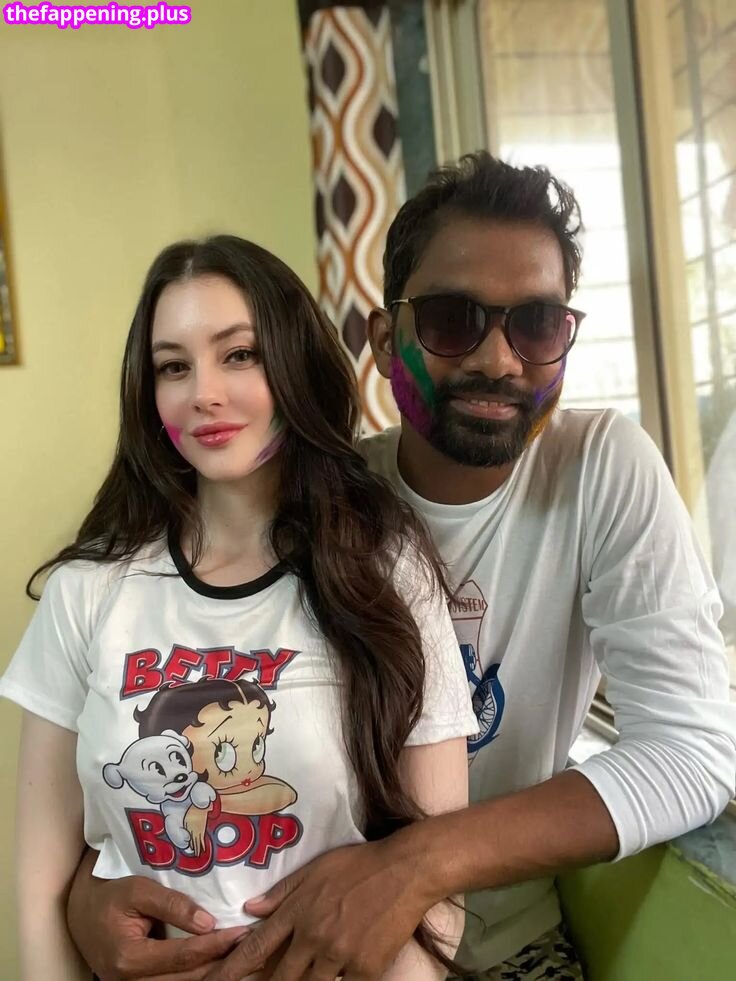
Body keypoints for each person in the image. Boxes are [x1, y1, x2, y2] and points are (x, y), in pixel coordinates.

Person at [65, 153, 736, 981]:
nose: (499, 359)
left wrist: (416, 864)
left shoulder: (600, 467)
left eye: (536, 324)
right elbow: (156, 701)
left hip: (506, 949)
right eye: (453, 319)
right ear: (386, 341)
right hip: (272, 954)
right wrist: (86, 887)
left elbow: (692, 751)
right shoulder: (310, 502)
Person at [0, 235, 479, 981]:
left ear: (293, 365)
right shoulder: (87, 589)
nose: (204, 393)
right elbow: (39, 895)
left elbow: (435, 885)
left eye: (239, 354)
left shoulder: (388, 572)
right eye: (173, 366)